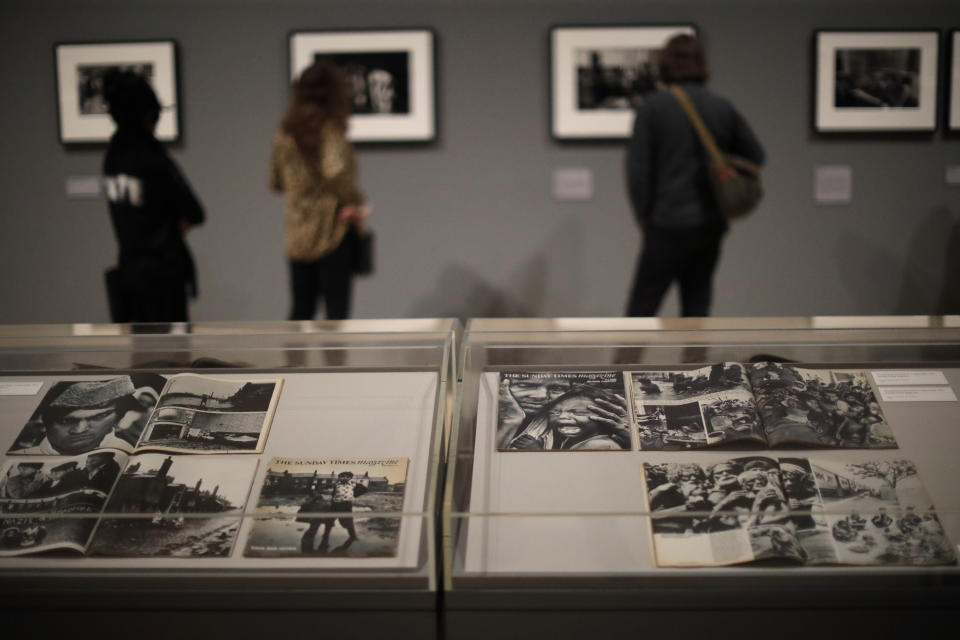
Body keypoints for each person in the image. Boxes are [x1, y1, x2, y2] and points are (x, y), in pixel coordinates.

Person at [625, 34, 765, 317]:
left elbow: (638, 172)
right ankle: (696, 362)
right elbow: (756, 154)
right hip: (709, 222)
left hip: (666, 223)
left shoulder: (653, 109)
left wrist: (643, 216)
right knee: (697, 308)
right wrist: (724, 166)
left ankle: (625, 363)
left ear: (665, 65)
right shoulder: (721, 107)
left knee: (641, 309)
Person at [102, 70, 205, 322]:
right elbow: (194, 210)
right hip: (163, 273)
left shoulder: (113, 154)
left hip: (130, 270)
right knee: (170, 354)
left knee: (141, 351)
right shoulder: (150, 155)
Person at [270, 60, 369, 321]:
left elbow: (275, 180)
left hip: (297, 230)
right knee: (336, 315)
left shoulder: (285, 132)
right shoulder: (330, 129)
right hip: (332, 227)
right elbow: (334, 170)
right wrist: (356, 203)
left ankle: (292, 363)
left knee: (300, 311)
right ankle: (335, 363)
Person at [10, 376, 162, 456]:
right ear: (46, 421)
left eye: (97, 417)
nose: (79, 430)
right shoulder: (22, 455)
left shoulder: (127, 448)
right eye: (66, 420)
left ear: (117, 417)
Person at [507, 385, 630, 451]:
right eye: (554, 413)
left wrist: (537, 451)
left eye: (579, 413)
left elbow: (566, 474)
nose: (562, 417)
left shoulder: (599, 444)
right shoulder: (571, 439)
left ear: (606, 417)